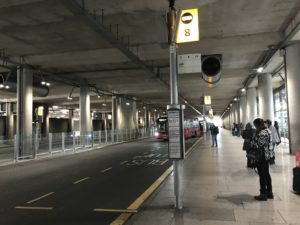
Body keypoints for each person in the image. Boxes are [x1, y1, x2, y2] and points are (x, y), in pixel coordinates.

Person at [251, 118, 274, 201]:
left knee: (262, 175)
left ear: (258, 125)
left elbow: (259, 145)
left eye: (255, 125)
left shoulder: (263, 132)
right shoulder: (268, 130)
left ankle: (263, 194)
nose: (255, 127)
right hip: (267, 155)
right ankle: (269, 192)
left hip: (262, 156)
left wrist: (251, 142)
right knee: (266, 174)